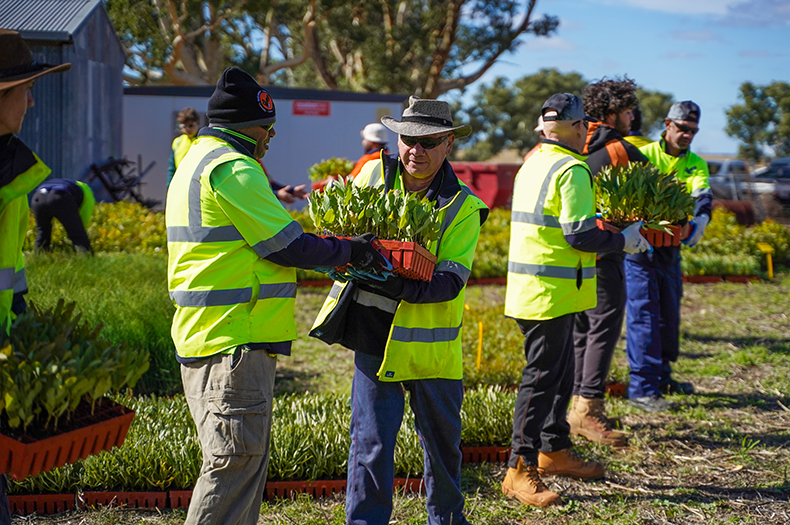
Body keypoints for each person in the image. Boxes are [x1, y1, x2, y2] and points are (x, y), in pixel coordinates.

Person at [166, 67, 388, 525]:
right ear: (244, 126)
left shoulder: (196, 157)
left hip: (208, 336)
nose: (270, 137)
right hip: (234, 340)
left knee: (239, 465)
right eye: (266, 128)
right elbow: (288, 245)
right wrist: (354, 250)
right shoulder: (233, 166)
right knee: (233, 465)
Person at [310, 97, 488, 525]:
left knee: (442, 447)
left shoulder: (463, 206)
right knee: (370, 443)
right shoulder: (373, 171)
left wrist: (399, 282)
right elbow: (340, 228)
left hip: (431, 349)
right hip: (374, 335)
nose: (416, 151)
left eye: (429, 142)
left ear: (449, 146)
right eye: (409, 139)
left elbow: (449, 281)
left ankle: (447, 520)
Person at [502, 93, 650, 508]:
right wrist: (624, 240)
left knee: (560, 376)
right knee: (540, 382)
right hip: (549, 294)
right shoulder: (572, 169)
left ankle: (554, 449)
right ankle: (519, 468)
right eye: (584, 124)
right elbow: (580, 235)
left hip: (542, 290)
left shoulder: (533, 164)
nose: (588, 130)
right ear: (576, 127)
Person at [0, 28, 71, 525]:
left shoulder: (10, 169)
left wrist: (21, 325)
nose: (30, 100)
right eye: (24, 88)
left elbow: (10, 273)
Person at [569, 77, 649, 447]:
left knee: (581, 328)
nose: (634, 116)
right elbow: (660, 187)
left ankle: (574, 405)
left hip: (570, 253)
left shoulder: (570, 144)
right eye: (630, 109)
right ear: (614, 112)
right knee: (602, 327)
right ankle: (588, 410)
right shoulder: (621, 152)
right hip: (607, 251)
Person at [626, 101, 711, 412]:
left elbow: (702, 195)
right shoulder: (645, 155)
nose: (687, 135)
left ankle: (662, 377)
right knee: (644, 317)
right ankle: (641, 388)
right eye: (683, 129)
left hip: (671, 250)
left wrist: (701, 219)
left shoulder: (696, 164)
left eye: (693, 131)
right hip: (641, 249)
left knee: (668, 317)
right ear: (667, 124)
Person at [30, 178, 95, 252]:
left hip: (38, 197)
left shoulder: (71, 184)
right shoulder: (87, 192)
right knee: (78, 235)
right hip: (60, 196)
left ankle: (39, 259)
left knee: (42, 232)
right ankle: (85, 259)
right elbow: (84, 220)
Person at [166, 107, 200, 188]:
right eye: (184, 126)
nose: (187, 129)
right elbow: (172, 168)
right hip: (180, 184)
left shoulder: (204, 140)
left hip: (198, 184)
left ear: (198, 123)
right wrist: (169, 186)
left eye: (191, 125)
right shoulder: (177, 142)